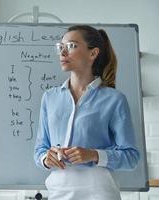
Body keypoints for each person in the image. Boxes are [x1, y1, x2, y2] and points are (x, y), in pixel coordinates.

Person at [34, 25, 140, 200]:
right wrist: (46, 158)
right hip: (58, 192)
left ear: (93, 53)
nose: (63, 52)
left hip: (100, 193)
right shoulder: (49, 98)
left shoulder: (114, 100)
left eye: (72, 46)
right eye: (61, 47)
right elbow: (40, 150)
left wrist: (94, 155)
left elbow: (131, 157)